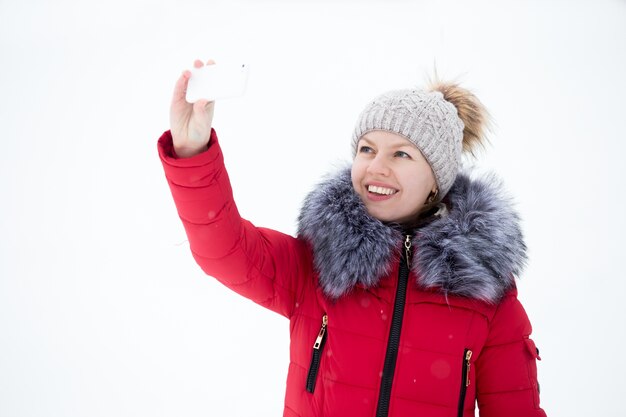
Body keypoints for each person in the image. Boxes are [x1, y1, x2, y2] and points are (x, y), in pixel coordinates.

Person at [158, 59, 548, 417]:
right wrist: (192, 151)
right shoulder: (318, 262)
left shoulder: (484, 291)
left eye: (401, 155)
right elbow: (224, 251)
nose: (376, 168)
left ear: (437, 182)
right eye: (367, 149)